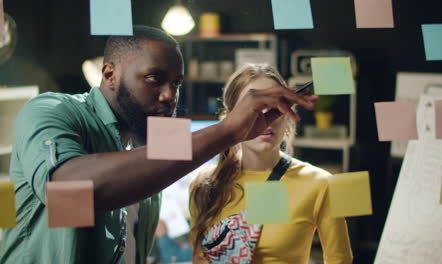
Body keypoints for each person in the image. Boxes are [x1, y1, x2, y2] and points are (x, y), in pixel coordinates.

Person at [0, 26, 317, 264]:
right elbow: (70, 190)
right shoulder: (52, 110)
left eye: (176, 83)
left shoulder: (146, 140)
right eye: (154, 79)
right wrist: (227, 130)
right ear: (109, 74)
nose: (169, 96)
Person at [189, 64, 353, 264]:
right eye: (254, 107)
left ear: (288, 116)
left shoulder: (321, 184)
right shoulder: (204, 184)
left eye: (276, 106)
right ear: (231, 118)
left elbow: (340, 260)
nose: (265, 118)